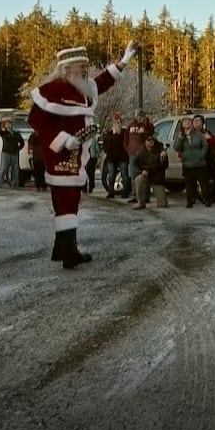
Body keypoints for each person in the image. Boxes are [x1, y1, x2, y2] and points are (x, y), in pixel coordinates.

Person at [27, 41, 136, 269]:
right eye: (80, 66)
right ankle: (68, 252)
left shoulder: (82, 88)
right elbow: (37, 121)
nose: (85, 70)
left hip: (77, 157)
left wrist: (123, 62)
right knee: (65, 202)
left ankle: (64, 247)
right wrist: (65, 140)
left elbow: (101, 82)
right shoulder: (53, 90)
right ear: (67, 69)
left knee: (70, 202)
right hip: (60, 157)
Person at [174, 117, 211, 208]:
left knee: (203, 183)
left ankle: (206, 199)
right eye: (185, 122)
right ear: (182, 125)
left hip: (199, 163)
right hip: (187, 164)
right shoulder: (180, 136)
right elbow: (177, 148)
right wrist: (180, 138)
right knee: (189, 184)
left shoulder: (198, 134)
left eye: (189, 121)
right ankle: (189, 200)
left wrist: (201, 155)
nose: (187, 123)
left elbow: (205, 146)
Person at [132, 134, 169, 210]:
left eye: (152, 139)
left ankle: (161, 199)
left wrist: (163, 159)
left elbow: (165, 166)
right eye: (148, 140)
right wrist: (141, 171)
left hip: (156, 177)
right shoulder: (140, 152)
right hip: (146, 175)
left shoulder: (160, 150)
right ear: (145, 142)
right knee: (138, 180)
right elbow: (134, 165)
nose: (151, 141)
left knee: (162, 204)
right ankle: (141, 202)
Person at [103, 112, 130, 199]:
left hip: (122, 157)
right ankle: (111, 192)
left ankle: (125, 192)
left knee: (124, 174)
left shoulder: (124, 133)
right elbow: (106, 145)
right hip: (111, 158)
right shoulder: (109, 135)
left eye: (118, 123)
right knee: (111, 175)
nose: (116, 124)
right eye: (115, 123)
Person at [0, 116, 24, 190]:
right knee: (3, 169)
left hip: (15, 153)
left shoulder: (16, 133)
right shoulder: (4, 133)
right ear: (5, 125)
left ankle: (14, 185)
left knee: (15, 170)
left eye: (9, 123)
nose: (8, 125)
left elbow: (22, 142)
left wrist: (18, 148)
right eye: (7, 124)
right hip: (6, 153)